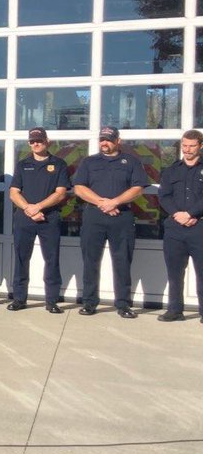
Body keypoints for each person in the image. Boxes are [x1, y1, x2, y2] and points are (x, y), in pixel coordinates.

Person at [73, 126, 146, 319]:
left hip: (121, 217)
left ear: (118, 141)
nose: (104, 143)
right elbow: (79, 188)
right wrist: (102, 203)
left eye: (109, 139)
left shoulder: (131, 162)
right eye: (102, 139)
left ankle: (123, 304)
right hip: (94, 216)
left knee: (122, 261)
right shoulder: (89, 162)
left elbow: (138, 188)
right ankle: (89, 302)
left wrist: (114, 202)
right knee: (90, 261)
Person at [8, 128, 70, 313]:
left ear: (47, 141)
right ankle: (19, 299)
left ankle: (51, 301)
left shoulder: (59, 164)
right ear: (29, 143)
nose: (36, 144)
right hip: (24, 219)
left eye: (39, 140)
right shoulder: (22, 164)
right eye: (32, 141)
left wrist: (39, 207)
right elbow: (13, 193)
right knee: (21, 259)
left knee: (51, 260)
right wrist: (29, 209)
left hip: (49, 219)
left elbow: (60, 194)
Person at [156, 129, 203, 323]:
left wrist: (192, 214)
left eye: (192, 146)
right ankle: (175, 310)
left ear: (200, 146)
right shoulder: (172, 170)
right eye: (184, 145)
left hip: (199, 227)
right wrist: (177, 214)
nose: (187, 149)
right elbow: (163, 196)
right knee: (174, 272)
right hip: (175, 228)